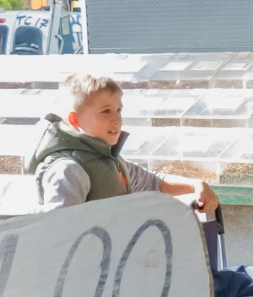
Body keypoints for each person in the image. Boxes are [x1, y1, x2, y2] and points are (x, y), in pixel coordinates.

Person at [32, 74, 218, 214]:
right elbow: (58, 232)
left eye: (118, 110)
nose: (117, 119)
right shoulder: (68, 170)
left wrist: (197, 185)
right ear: (75, 119)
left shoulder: (109, 160)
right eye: (106, 111)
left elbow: (153, 182)